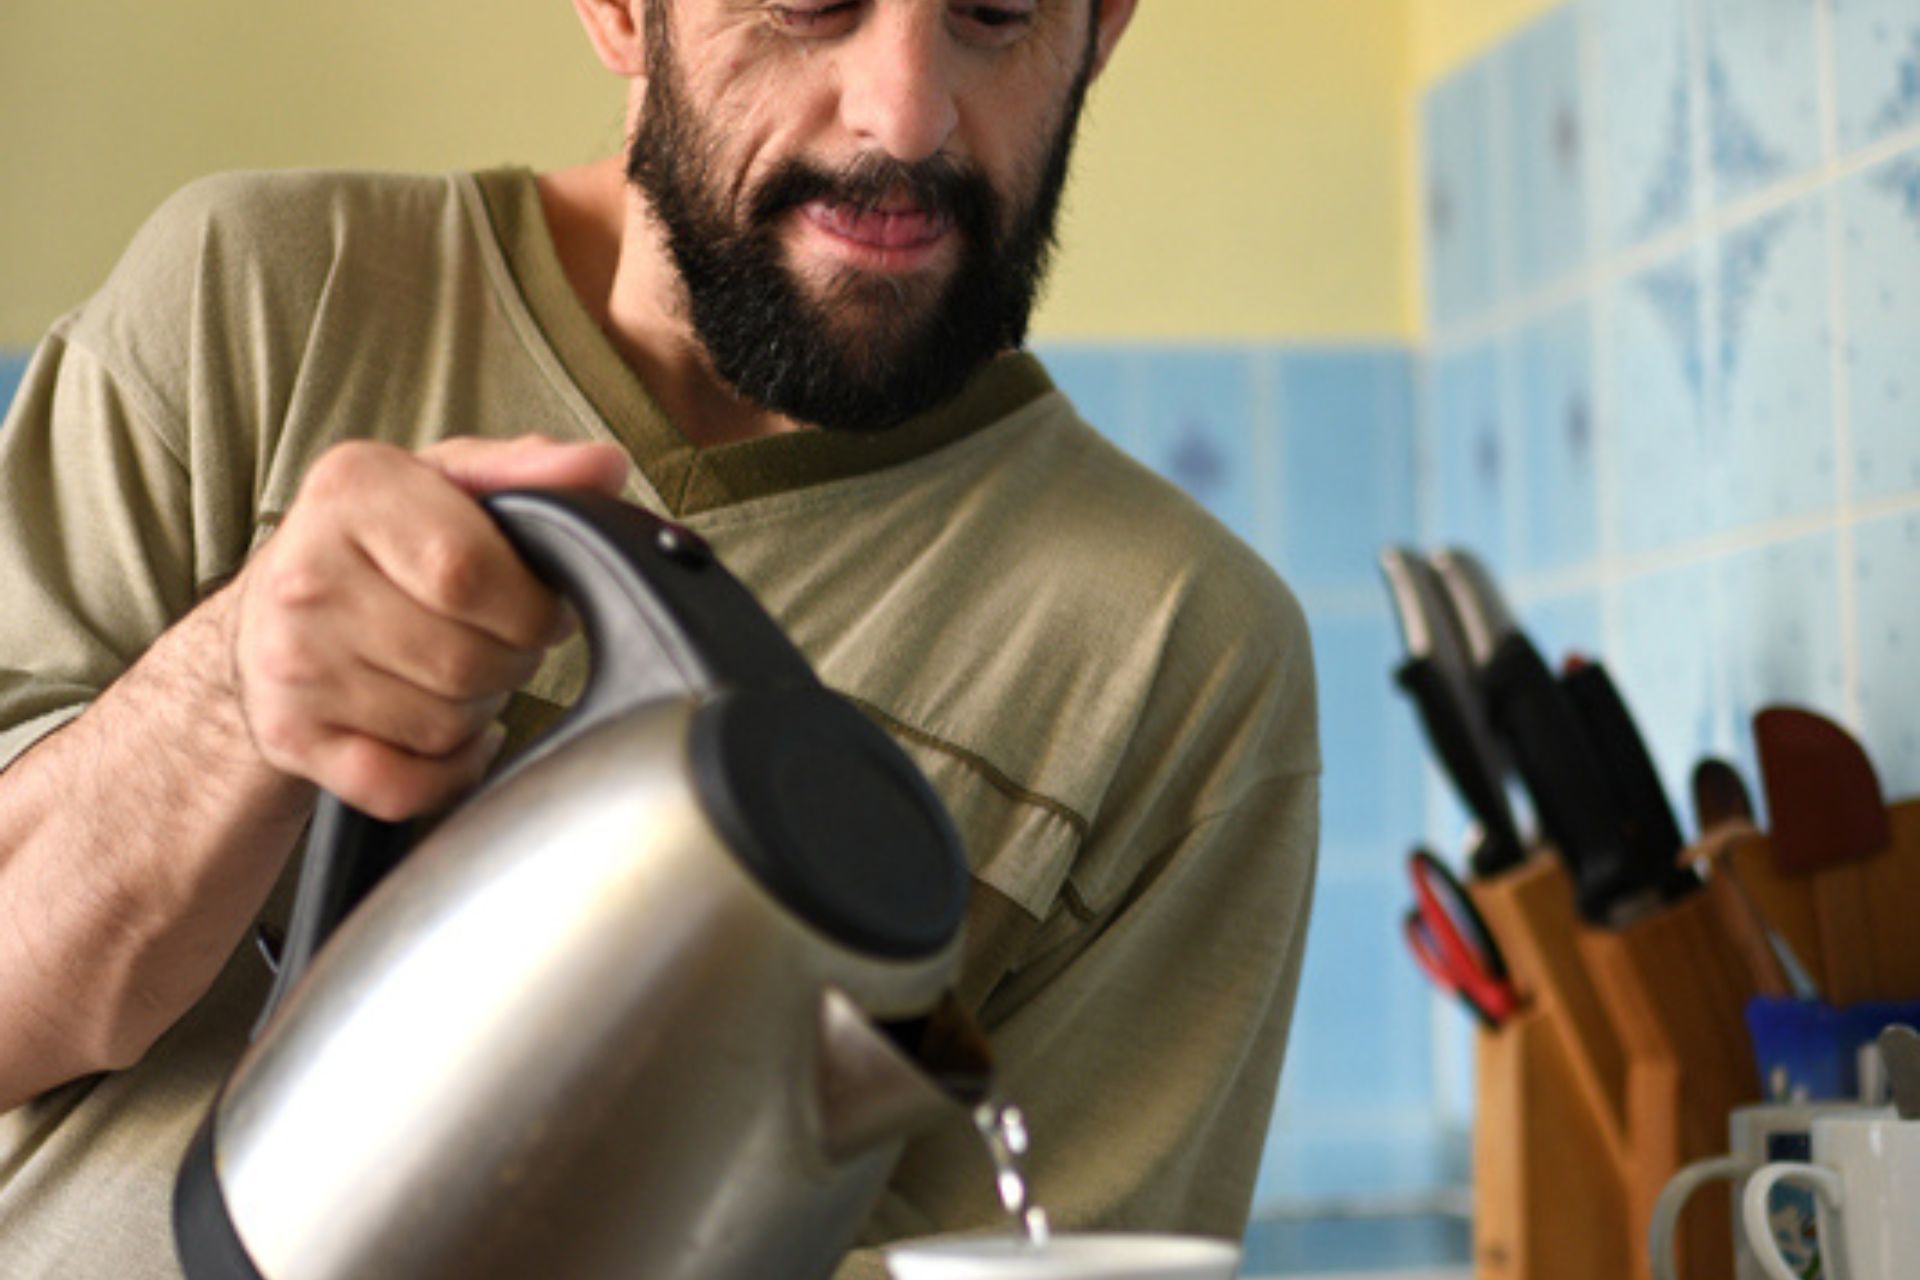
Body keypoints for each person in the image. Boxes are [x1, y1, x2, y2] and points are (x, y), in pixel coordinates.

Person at [0, 1, 1320, 1276]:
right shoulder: (264, 307)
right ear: (622, 11)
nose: (907, 115)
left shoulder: (1178, 655)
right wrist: (229, 698)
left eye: (993, 12)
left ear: (1101, 28)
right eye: (810, 5)